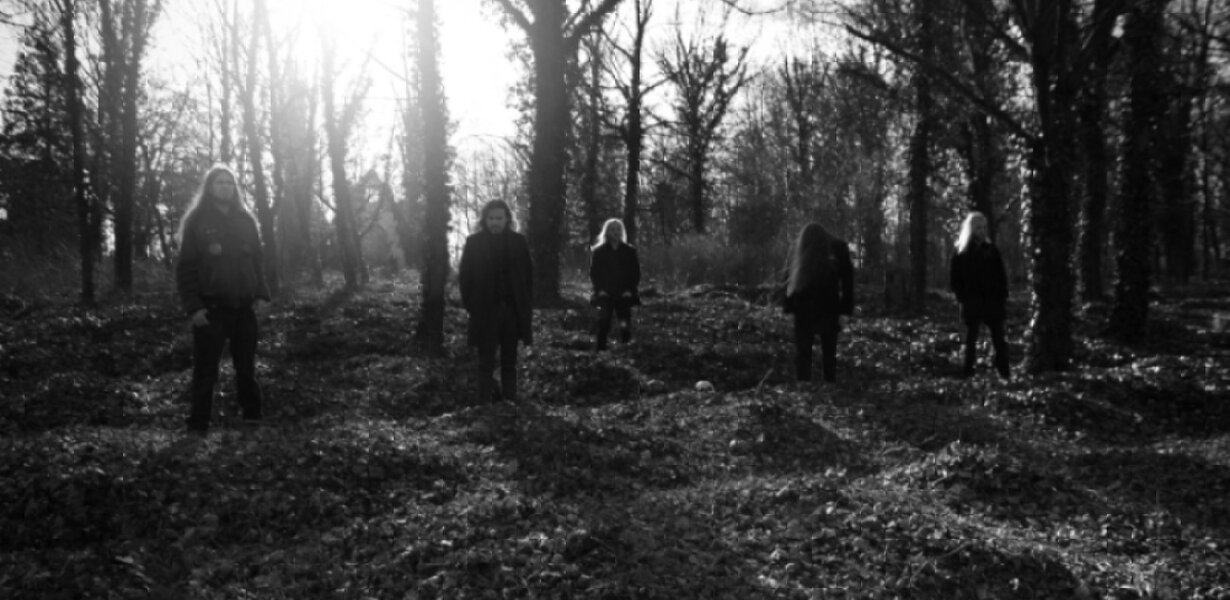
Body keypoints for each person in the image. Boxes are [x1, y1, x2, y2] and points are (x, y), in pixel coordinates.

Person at [176, 164, 271, 434]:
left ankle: (252, 418)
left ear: (235, 188)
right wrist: (194, 308)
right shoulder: (197, 221)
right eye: (219, 182)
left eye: (229, 183)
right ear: (209, 187)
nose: (225, 187)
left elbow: (258, 262)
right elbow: (185, 268)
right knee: (206, 370)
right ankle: (198, 424)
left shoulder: (246, 221)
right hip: (211, 310)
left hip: (244, 309)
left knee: (246, 368)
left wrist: (262, 295)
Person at [459, 200, 533, 403]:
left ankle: (510, 402)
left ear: (507, 219)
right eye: (491, 218)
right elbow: (465, 278)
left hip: (512, 311)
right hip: (485, 312)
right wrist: (473, 306)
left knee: (510, 361)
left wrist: (524, 305)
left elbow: (528, 276)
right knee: (485, 361)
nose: (495, 222)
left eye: (499, 218)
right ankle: (483, 405)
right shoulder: (473, 243)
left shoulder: (519, 242)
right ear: (484, 220)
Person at [781, 223, 855, 383]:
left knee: (807, 353)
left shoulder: (799, 246)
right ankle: (824, 384)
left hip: (810, 306)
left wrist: (788, 307)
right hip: (824, 305)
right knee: (826, 352)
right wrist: (845, 310)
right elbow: (847, 282)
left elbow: (787, 280)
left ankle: (809, 385)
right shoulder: (837, 247)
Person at [949, 211, 1010, 379]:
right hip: (972, 301)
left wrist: (1002, 296)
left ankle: (1004, 373)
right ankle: (968, 372)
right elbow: (955, 278)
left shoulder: (991, 250)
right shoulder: (961, 251)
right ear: (971, 229)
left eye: (984, 227)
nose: (982, 231)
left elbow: (1000, 275)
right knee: (971, 339)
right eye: (978, 227)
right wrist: (962, 297)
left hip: (992, 301)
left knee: (999, 339)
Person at [589, 218, 641, 350]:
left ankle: (626, 349)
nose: (616, 232)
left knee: (625, 323)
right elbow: (594, 273)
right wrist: (600, 290)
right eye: (612, 229)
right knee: (603, 323)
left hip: (624, 293)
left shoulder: (629, 251)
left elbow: (635, 273)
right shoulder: (599, 252)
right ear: (607, 232)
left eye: (618, 229)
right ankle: (600, 351)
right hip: (605, 293)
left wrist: (630, 290)